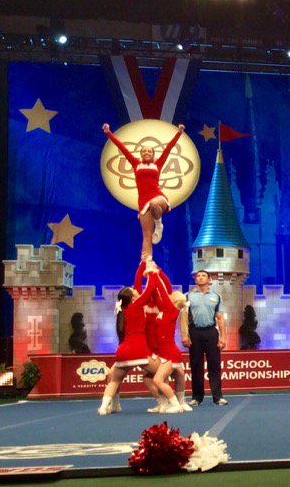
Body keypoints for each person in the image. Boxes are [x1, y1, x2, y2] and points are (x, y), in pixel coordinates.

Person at [98, 261, 180, 415]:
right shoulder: (136, 306)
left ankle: (104, 407)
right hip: (139, 351)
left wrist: (142, 264)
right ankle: (170, 403)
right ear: (131, 297)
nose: (136, 290)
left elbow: (140, 287)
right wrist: (151, 272)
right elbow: (149, 289)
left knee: (114, 380)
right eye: (133, 291)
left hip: (122, 352)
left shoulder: (123, 310)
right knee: (162, 371)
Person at [102, 122, 185, 264]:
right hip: (142, 200)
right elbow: (121, 147)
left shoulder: (157, 164)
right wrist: (108, 132)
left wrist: (179, 132)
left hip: (157, 197)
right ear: (140, 155)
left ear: (153, 154)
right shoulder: (136, 164)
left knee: (154, 205)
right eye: (144, 151)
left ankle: (159, 225)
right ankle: (147, 262)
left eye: (150, 151)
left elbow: (169, 148)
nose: (147, 153)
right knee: (146, 235)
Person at [148, 267, 193, 411]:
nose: (169, 294)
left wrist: (154, 274)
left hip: (169, 352)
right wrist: (157, 272)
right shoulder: (165, 309)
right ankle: (180, 402)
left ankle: (175, 404)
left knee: (158, 379)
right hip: (165, 351)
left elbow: (162, 288)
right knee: (178, 374)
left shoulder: (173, 310)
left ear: (174, 299)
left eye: (171, 294)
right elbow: (159, 290)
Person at [181, 270, 228, 406]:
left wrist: (223, 337)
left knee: (214, 365)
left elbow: (220, 318)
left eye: (203, 276)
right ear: (195, 280)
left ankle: (218, 397)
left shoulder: (216, 297)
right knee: (196, 366)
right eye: (198, 276)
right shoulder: (188, 296)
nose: (200, 278)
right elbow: (183, 317)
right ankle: (197, 397)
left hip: (211, 332)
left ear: (209, 280)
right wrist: (184, 335)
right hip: (194, 332)